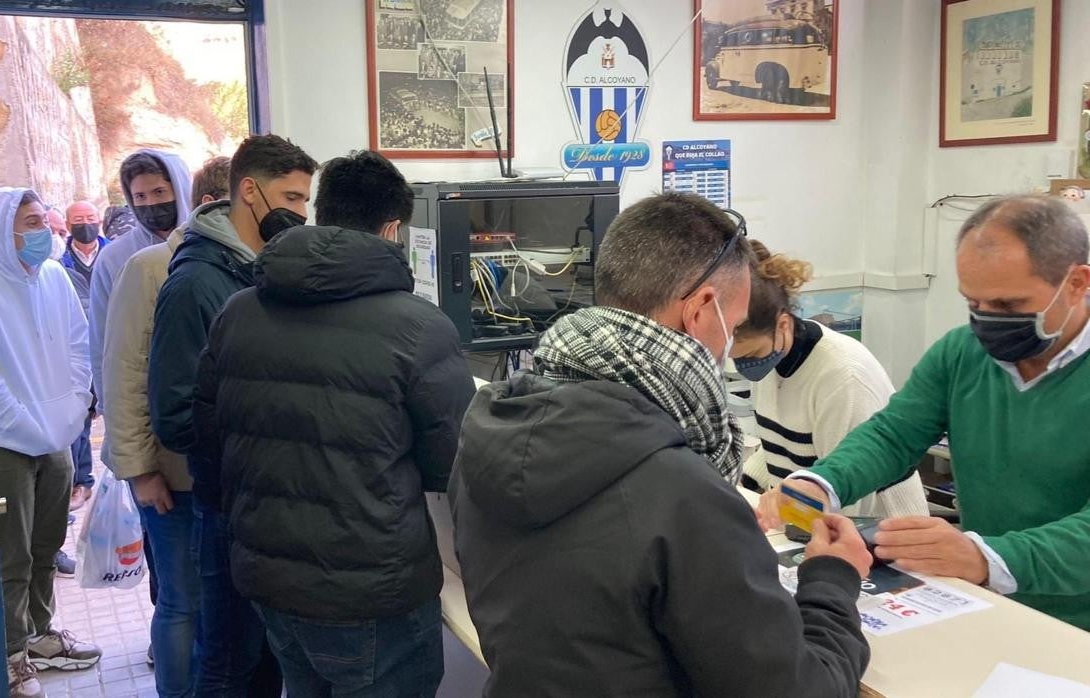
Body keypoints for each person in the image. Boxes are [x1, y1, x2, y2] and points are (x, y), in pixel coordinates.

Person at [449, 192, 872, 697]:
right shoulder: (681, 490)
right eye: (732, 330)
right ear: (700, 312)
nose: (730, 352)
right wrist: (832, 581)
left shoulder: (491, 429)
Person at [193, 150, 475, 697]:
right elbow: (452, 465)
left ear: (322, 212)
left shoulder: (239, 311)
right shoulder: (419, 328)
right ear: (392, 228)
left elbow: (206, 437)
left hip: (268, 578)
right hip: (372, 591)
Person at [758, 194, 1090, 631]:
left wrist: (986, 557)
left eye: (1007, 305)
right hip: (990, 603)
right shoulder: (961, 352)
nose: (987, 321)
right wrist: (823, 482)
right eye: (973, 304)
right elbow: (893, 436)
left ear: (1077, 283)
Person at [148, 137, 315, 696]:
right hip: (229, 507)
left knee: (267, 663)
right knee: (227, 666)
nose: (300, 212)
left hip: (271, 505)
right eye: (290, 196)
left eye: (306, 199)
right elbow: (174, 416)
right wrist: (268, 422)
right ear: (250, 191)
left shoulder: (263, 270)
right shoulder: (196, 282)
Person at [102, 151, 252, 696]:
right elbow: (122, 372)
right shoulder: (149, 268)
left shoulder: (248, 265)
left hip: (228, 477)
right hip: (173, 479)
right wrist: (139, 470)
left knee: (223, 609)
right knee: (182, 606)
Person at [0, 188, 102, 698]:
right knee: (12, 554)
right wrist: (26, 422)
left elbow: (78, 342)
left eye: (44, 224)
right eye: (29, 224)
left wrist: (71, 410)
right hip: (7, 439)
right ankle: (10, 654)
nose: (42, 235)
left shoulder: (53, 276)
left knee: (47, 543)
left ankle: (41, 635)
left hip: (57, 434)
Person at [731, 240, 929, 519]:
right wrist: (745, 489)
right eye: (737, 357)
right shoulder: (771, 358)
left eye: (752, 353)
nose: (745, 365)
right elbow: (778, 446)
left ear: (783, 324)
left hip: (879, 528)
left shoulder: (842, 375)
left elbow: (848, 493)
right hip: (806, 517)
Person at [89, 150, 192, 418]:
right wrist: (108, 405)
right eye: (140, 197)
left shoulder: (205, 246)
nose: (151, 204)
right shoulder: (114, 258)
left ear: (179, 190)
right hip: (141, 401)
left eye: (159, 192)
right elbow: (101, 339)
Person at [59, 200, 109, 515]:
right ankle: (82, 481)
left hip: (109, 346)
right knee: (80, 418)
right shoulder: (59, 263)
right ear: (68, 224)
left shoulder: (116, 255)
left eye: (90, 217)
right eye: (79, 219)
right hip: (77, 351)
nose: (86, 223)